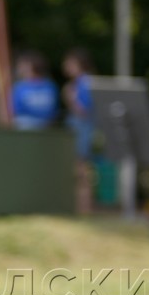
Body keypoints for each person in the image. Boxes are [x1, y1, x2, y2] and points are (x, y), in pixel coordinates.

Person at [61, 48, 97, 215]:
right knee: (79, 169)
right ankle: (80, 208)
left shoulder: (85, 83)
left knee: (81, 168)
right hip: (81, 128)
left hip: (82, 129)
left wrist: (70, 97)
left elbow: (85, 111)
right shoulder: (81, 83)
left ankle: (84, 209)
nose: (66, 66)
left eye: (70, 63)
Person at [9, 50, 61, 129]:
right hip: (25, 123)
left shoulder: (49, 85)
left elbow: (53, 108)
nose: (20, 68)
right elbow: (16, 109)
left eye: (23, 64)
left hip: (47, 123)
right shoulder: (19, 87)